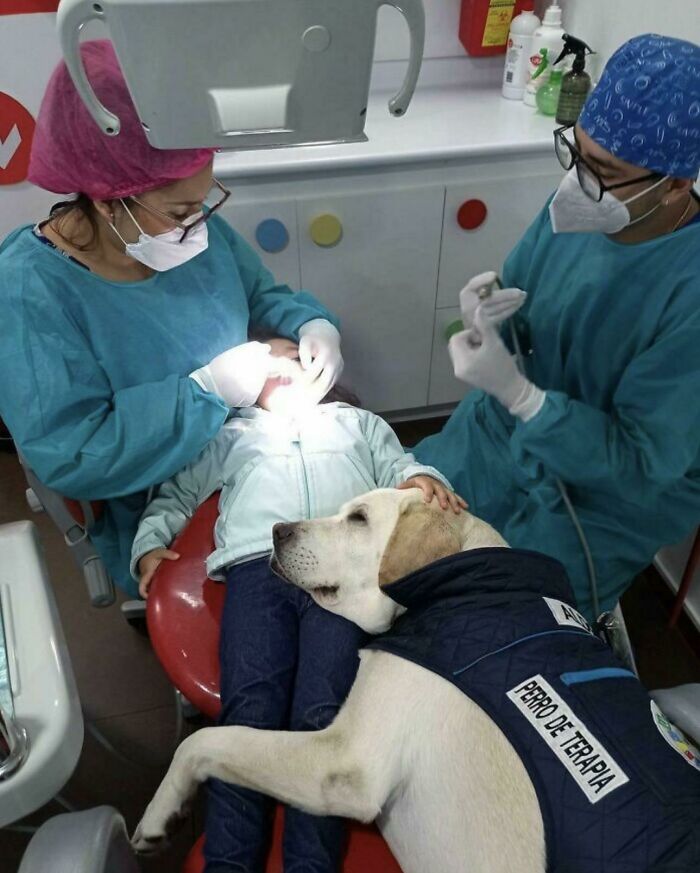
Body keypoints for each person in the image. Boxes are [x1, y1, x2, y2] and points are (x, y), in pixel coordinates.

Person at [0, 41, 343, 598]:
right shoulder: (29, 291)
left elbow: (261, 294)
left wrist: (311, 326)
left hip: (252, 443)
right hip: (159, 501)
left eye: (203, 202)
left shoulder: (184, 229)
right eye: (182, 211)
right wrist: (205, 392)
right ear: (107, 201)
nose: (199, 224)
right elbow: (75, 453)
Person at [131, 337, 464, 873]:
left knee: (324, 717)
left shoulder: (356, 424)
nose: (282, 364)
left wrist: (425, 480)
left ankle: (311, 863)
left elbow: (402, 468)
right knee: (250, 713)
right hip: (257, 568)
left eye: (295, 355)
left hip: (344, 572)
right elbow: (177, 494)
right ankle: (229, 862)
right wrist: (149, 543)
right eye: (265, 361)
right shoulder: (230, 435)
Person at [415, 34, 700, 620]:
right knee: (395, 538)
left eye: (603, 170)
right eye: (577, 153)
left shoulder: (688, 294)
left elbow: (642, 466)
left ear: (675, 183)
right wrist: (490, 324)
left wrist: (525, 398)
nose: (577, 183)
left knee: (487, 628)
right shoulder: (586, 202)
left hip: (596, 502)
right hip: (495, 439)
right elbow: (526, 304)